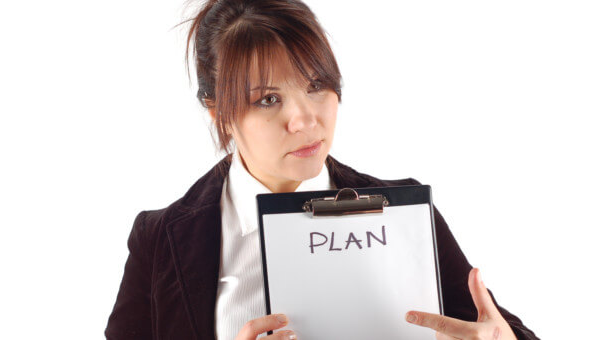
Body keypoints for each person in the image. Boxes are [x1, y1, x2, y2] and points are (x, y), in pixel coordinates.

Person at [105, 0, 539, 339]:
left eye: (315, 85)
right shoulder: (160, 239)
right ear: (218, 110)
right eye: (268, 99)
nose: (305, 119)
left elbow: (492, 329)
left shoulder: (404, 214)